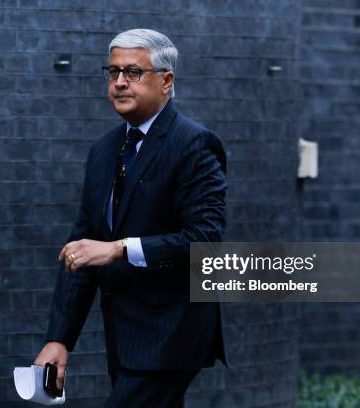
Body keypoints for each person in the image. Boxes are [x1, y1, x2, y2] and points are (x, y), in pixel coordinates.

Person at [34, 28, 228, 407]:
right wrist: (59, 339)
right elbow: (82, 250)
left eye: (133, 72)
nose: (120, 82)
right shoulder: (103, 151)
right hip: (123, 337)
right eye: (113, 72)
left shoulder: (194, 145)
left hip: (171, 333)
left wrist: (119, 250)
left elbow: (205, 240)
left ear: (166, 81)